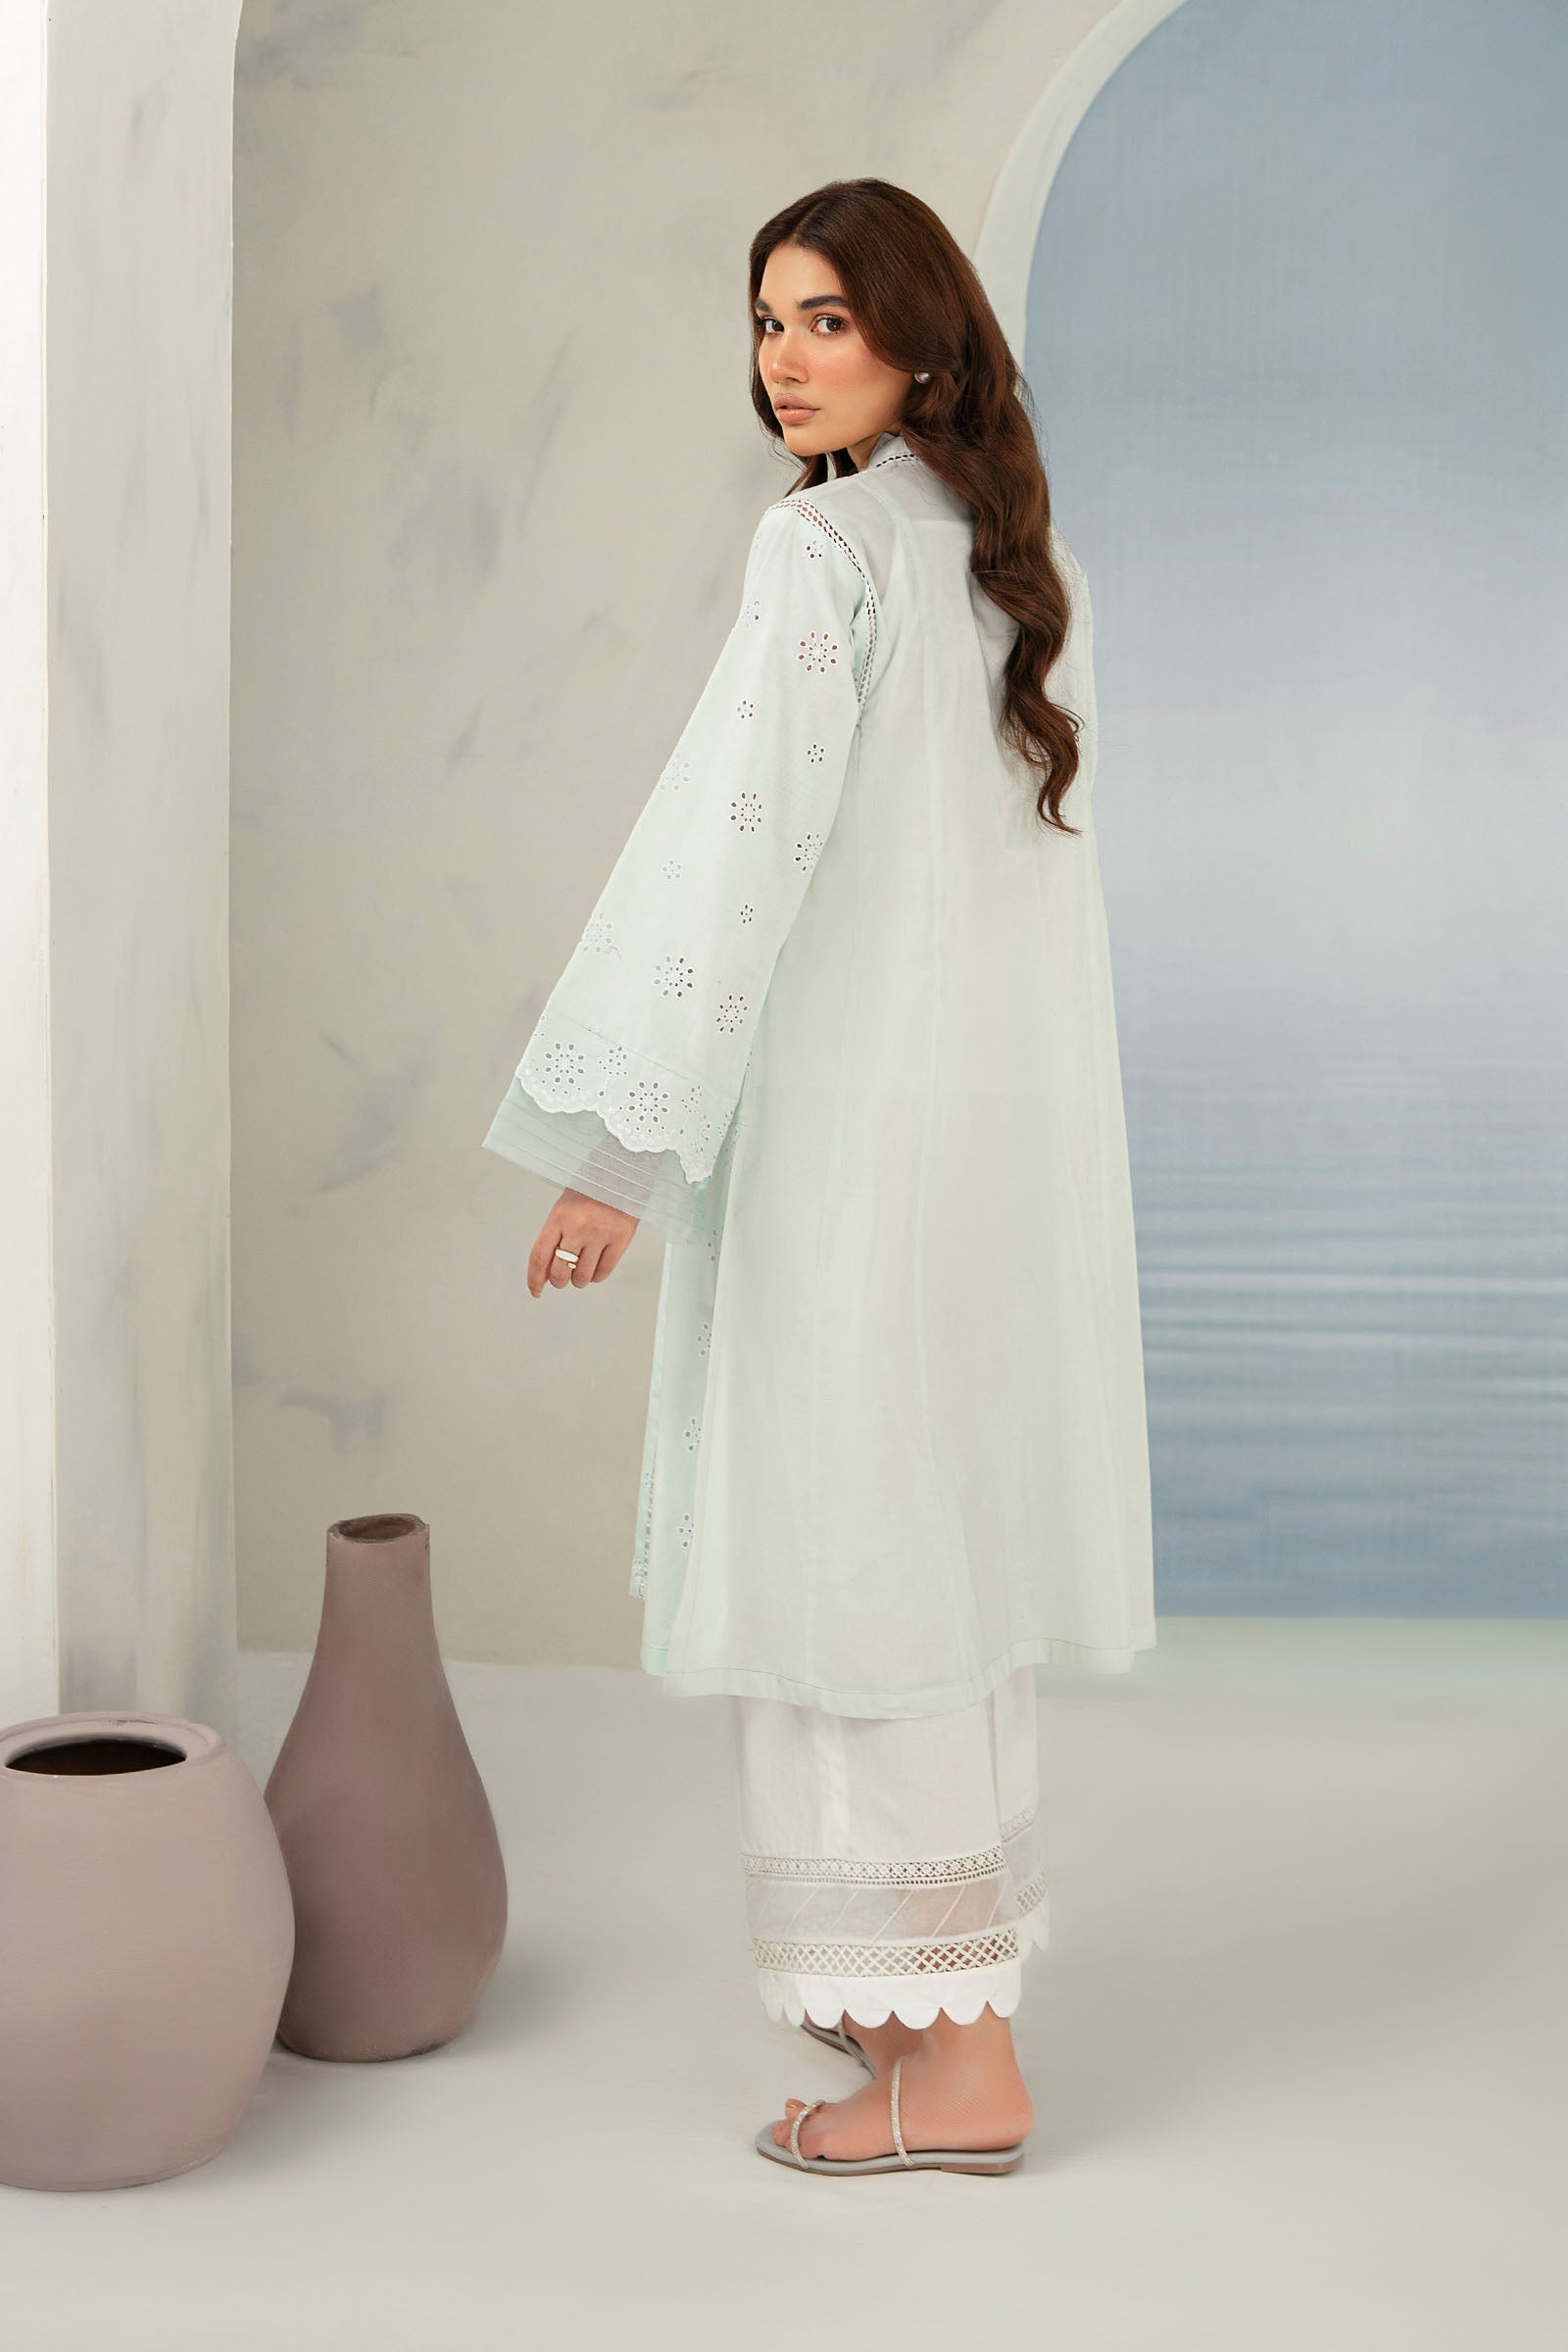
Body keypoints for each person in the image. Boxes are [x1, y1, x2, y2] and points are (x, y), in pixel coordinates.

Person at [481, 177, 1155, 2177]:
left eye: (826, 320)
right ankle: (929, 2007)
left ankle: (956, 2072)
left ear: (921, 344)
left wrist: (620, 1152)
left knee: (850, 1571)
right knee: (929, 1564)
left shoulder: (828, 553)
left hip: (850, 1159)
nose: (783, 359)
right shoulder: (1013, 561)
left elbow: (725, 864)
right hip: (981, 1167)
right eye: (768, 320)